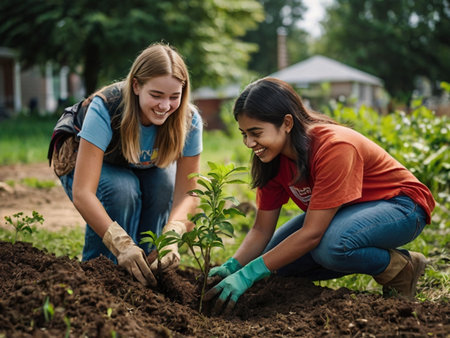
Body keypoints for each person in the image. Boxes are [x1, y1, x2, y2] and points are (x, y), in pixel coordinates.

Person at [205, 77, 435, 314]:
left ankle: (400, 268)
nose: (249, 143)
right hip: (347, 212)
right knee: (277, 264)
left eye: (255, 133)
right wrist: (234, 265)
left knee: (331, 247)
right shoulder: (270, 160)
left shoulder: (333, 147)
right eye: (244, 134)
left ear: (286, 123)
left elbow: (312, 233)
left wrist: (250, 273)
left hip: (402, 206)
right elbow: (261, 230)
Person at [53, 43, 203, 287]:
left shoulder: (188, 119)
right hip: (83, 162)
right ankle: (98, 274)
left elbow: (188, 194)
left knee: (163, 184)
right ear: (136, 85)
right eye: (156, 95)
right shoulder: (107, 107)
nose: (165, 106)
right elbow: (83, 192)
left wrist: (173, 236)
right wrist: (120, 244)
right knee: (122, 189)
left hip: (139, 164)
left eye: (174, 97)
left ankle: (146, 268)